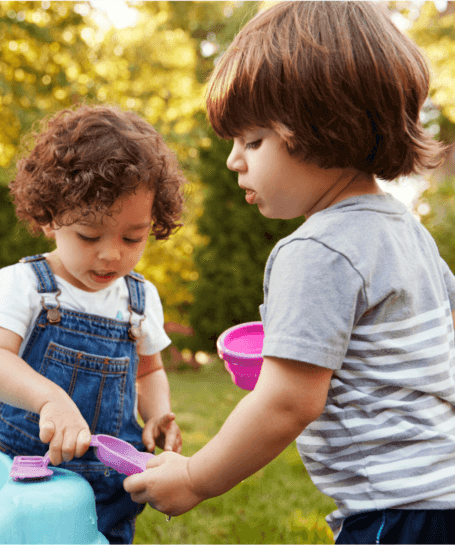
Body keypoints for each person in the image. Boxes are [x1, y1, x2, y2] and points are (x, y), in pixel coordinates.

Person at [124, 2, 455, 543]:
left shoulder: (317, 248)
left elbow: (288, 401)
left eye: (253, 141)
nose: (235, 159)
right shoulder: (405, 228)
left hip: (397, 514)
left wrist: (194, 477)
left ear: (325, 129)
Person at [0, 104, 185, 543]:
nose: (111, 254)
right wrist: (50, 400)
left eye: (133, 237)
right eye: (89, 236)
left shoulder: (139, 299)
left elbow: (149, 369)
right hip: (29, 475)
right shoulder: (24, 284)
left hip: (109, 487)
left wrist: (158, 414)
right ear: (50, 217)